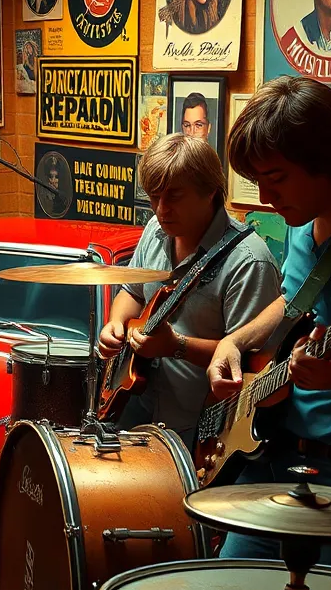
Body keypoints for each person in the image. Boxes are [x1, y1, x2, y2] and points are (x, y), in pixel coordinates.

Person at [208, 76, 331, 573]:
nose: (266, 198)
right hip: (280, 456)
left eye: (276, 177)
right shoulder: (304, 222)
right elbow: (294, 299)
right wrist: (235, 340)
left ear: (327, 160)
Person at [98, 134, 281, 444]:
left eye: (174, 196)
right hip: (137, 412)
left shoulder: (249, 262)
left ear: (210, 191)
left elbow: (253, 364)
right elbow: (132, 291)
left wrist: (176, 346)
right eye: (154, 197)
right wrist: (115, 324)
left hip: (199, 432)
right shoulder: (156, 230)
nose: (161, 209)